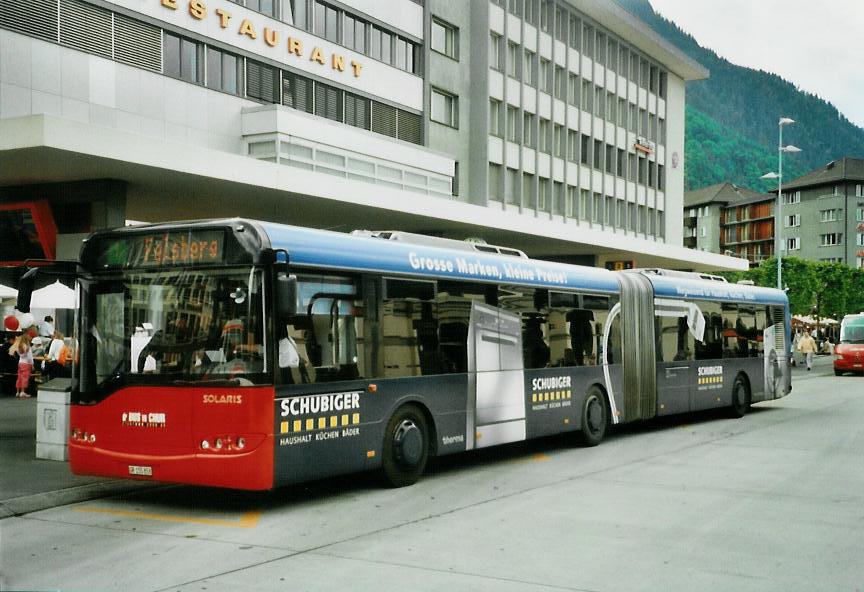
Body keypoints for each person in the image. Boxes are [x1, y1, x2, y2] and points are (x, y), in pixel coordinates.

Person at [10, 332, 34, 398]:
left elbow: (17, 354)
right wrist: (32, 364)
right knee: (25, 378)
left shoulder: (19, 346)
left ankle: (17, 392)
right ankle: (23, 392)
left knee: (19, 377)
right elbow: (30, 357)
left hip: (20, 363)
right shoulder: (27, 346)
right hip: (26, 363)